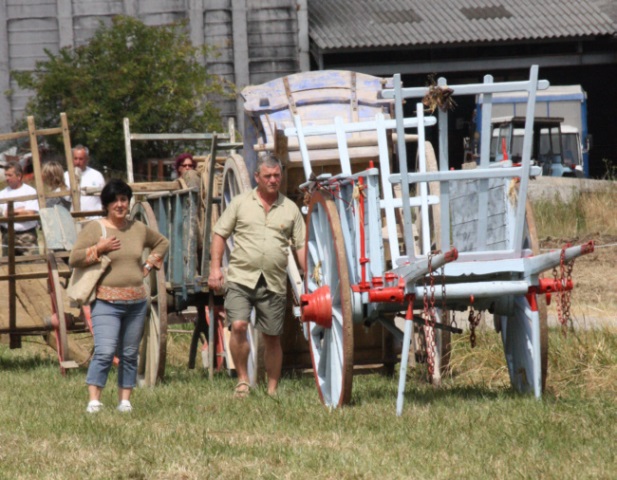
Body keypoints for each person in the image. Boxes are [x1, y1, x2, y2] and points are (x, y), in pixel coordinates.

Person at [208, 153, 306, 398]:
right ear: (257, 177)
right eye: (267, 176)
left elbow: (301, 245)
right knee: (239, 325)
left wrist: (308, 280)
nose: (273, 180)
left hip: (273, 280)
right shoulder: (241, 203)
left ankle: (272, 390)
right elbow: (220, 234)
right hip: (241, 277)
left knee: (272, 337)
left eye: (276, 175)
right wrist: (215, 268)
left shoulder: (290, 209)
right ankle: (243, 381)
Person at [69, 179, 169, 413]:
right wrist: (99, 249)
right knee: (104, 350)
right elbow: (74, 258)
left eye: (124, 199)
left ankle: (125, 400)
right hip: (106, 302)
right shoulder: (96, 229)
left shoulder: (138, 229)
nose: (120, 204)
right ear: (106, 204)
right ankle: (94, 400)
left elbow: (162, 242)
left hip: (136, 302)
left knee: (129, 353)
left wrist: (149, 265)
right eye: (114, 200)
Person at [0, 161, 40, 257]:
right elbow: (2, 214)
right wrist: (20, 210)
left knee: (33, 265)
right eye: (6, 175)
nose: (7, 178)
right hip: (8, 236)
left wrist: (11, 212)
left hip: (27, 237)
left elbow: (31, 213)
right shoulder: (2, 193)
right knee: (8, 268)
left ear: (19, 176)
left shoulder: (29, 191)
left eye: (10, 175)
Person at [63, 145, 105, 216]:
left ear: (87, 159)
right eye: (75, 158)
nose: (77, 162)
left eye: (81, 159)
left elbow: (105, 196)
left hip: (94, 219)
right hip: (73, 218)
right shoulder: (65, 176)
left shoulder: (97, 175)